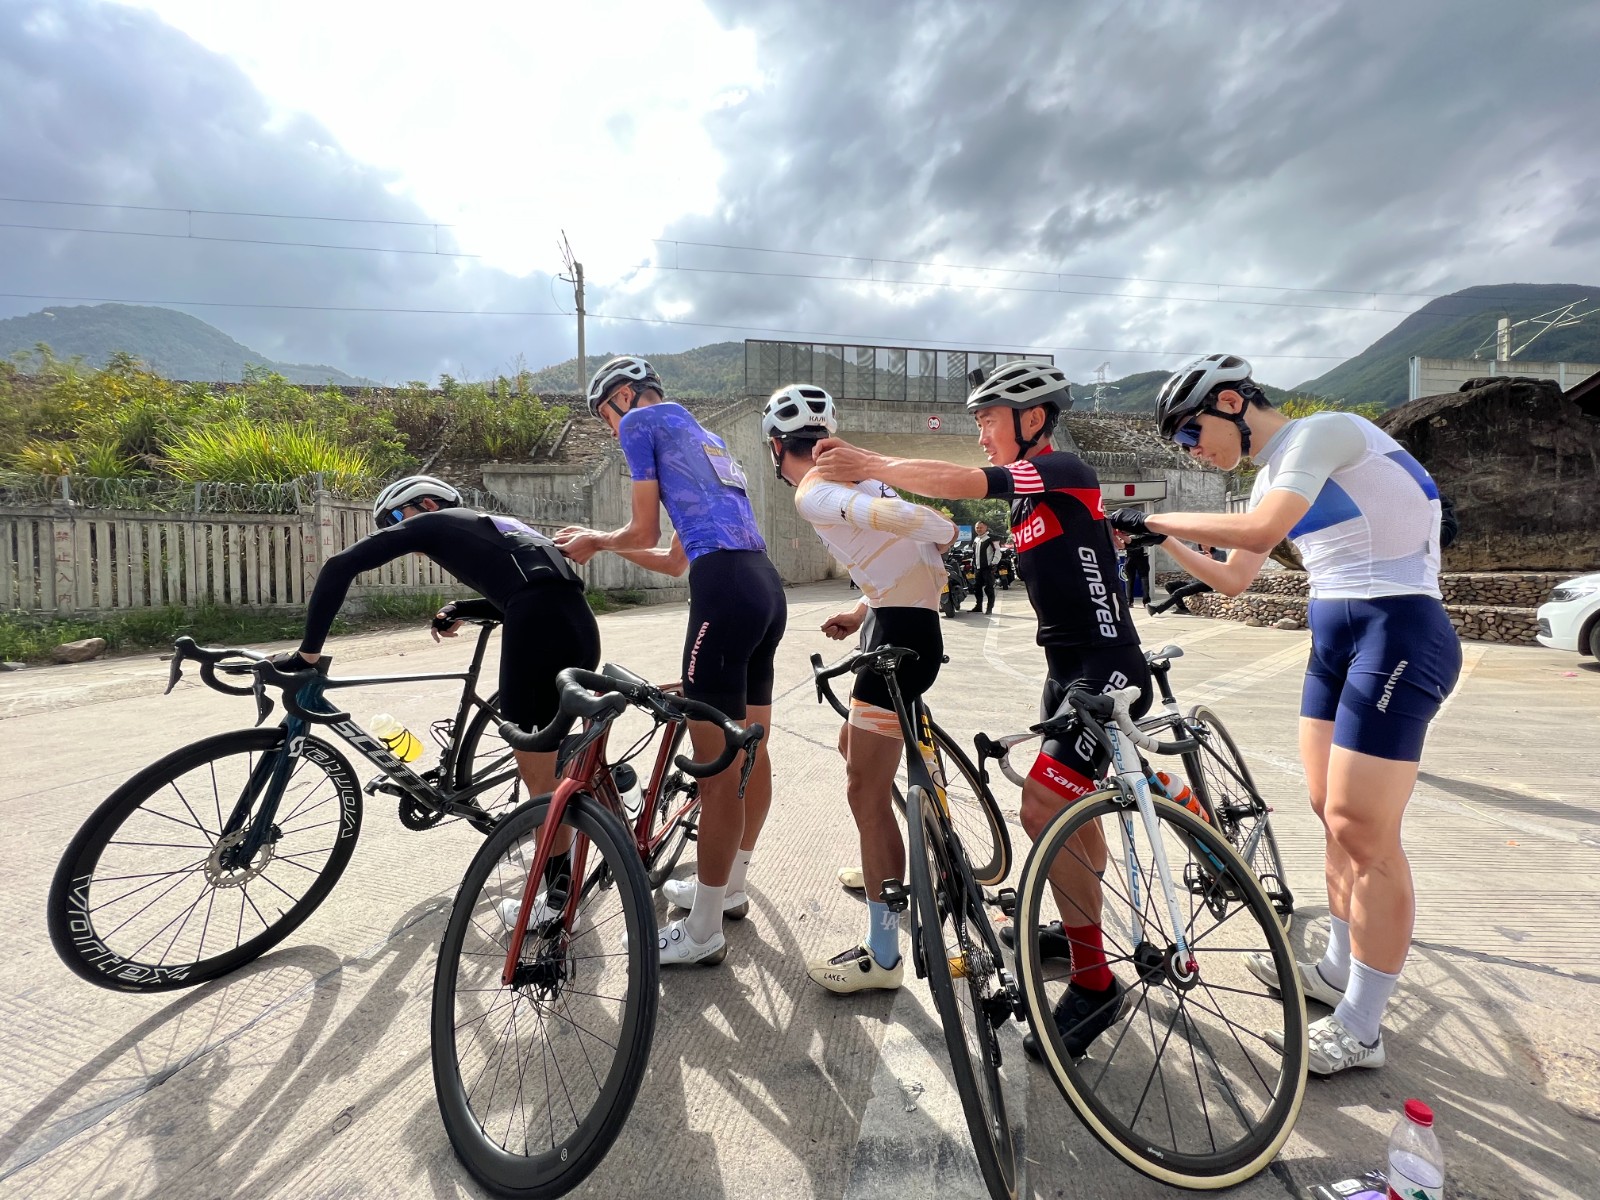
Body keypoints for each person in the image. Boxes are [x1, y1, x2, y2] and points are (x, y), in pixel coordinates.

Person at [1109, 353, 1461, 1077]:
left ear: (1231, 402)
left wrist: (1152, 515)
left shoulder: (1325, 432)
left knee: (1365, 831)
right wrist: (1158, 539)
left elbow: (1261, 530)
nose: (1191, 450)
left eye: (1190, 432)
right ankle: (1335, 970)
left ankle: (1363, 1025)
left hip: (1397, 631)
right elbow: (1236, 578)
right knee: (1329, 814)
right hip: (1335, 636)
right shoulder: (1274, 474)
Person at [816, 361, 1150, 1059]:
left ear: (1034, 419)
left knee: (1043, 806)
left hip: (1108, 667)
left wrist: (870, 463)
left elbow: (966, 483)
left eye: (988, 419)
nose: (981, 433)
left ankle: (1095, 983)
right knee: (1071, 815)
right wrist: (865, 609)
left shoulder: (1061, 469)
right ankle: (1080, 929)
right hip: (1066, 675)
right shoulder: (1029, 505)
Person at [267, 475, 601, 919]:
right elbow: (533, 588)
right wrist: (462, 608)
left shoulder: (434, 522)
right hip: (577, 626)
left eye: (395, 520)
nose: (397, 532)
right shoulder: (492, 525)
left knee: (539, 780)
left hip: (537, 629)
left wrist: (307, 654)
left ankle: (559, 899)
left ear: (426, 504)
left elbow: (338, 566)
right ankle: (609, 791)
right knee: (550, 757)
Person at [555, 356, 785, 967]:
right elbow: (674, 556)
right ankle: (728, 889)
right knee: (750, 751)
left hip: (724, 592)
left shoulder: (642, 423)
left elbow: (641, 529)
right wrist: (606, 547)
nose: (611, 429)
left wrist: (596, 539)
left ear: (625, 396)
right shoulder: (702, 438)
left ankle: (703, 929)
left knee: (715, 772)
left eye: (605, 415)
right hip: (762, 586)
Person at [762, 383, 958, 994]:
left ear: (776, 447)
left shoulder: (814, 491)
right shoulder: (864, 483)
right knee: (853, 747)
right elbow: (905, 557)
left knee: (865, 795)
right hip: (898, 626)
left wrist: (944, 527)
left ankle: (883, 954)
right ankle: (886, 859)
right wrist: (860, 610)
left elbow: (930, 526)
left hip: (898, 643)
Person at [1147, 543, 1224, 614]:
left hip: (1207, 582)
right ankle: (1182, 608)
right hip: (1195, 580)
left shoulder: (1220, 554)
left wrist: (1211, 560)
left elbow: (1222, 570)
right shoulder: (1200, 555)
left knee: (1179, 592)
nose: (1204, 547)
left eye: (1205, 544)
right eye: (1202, 545)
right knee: (1169, 585)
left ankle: (1157, 609)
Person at [969, 521, 1000, 613]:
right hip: (978, 568)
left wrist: (993, 563)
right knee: (976, 588)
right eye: (977, 527)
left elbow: (998, 551)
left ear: (986, 528)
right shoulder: (976, 539)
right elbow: (974, 554)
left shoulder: (991, 538)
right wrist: (973, 565)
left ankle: (989, 608)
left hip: (988, 568)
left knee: (989, 588)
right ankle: (978, 606)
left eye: (981, 527)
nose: (979, 529)